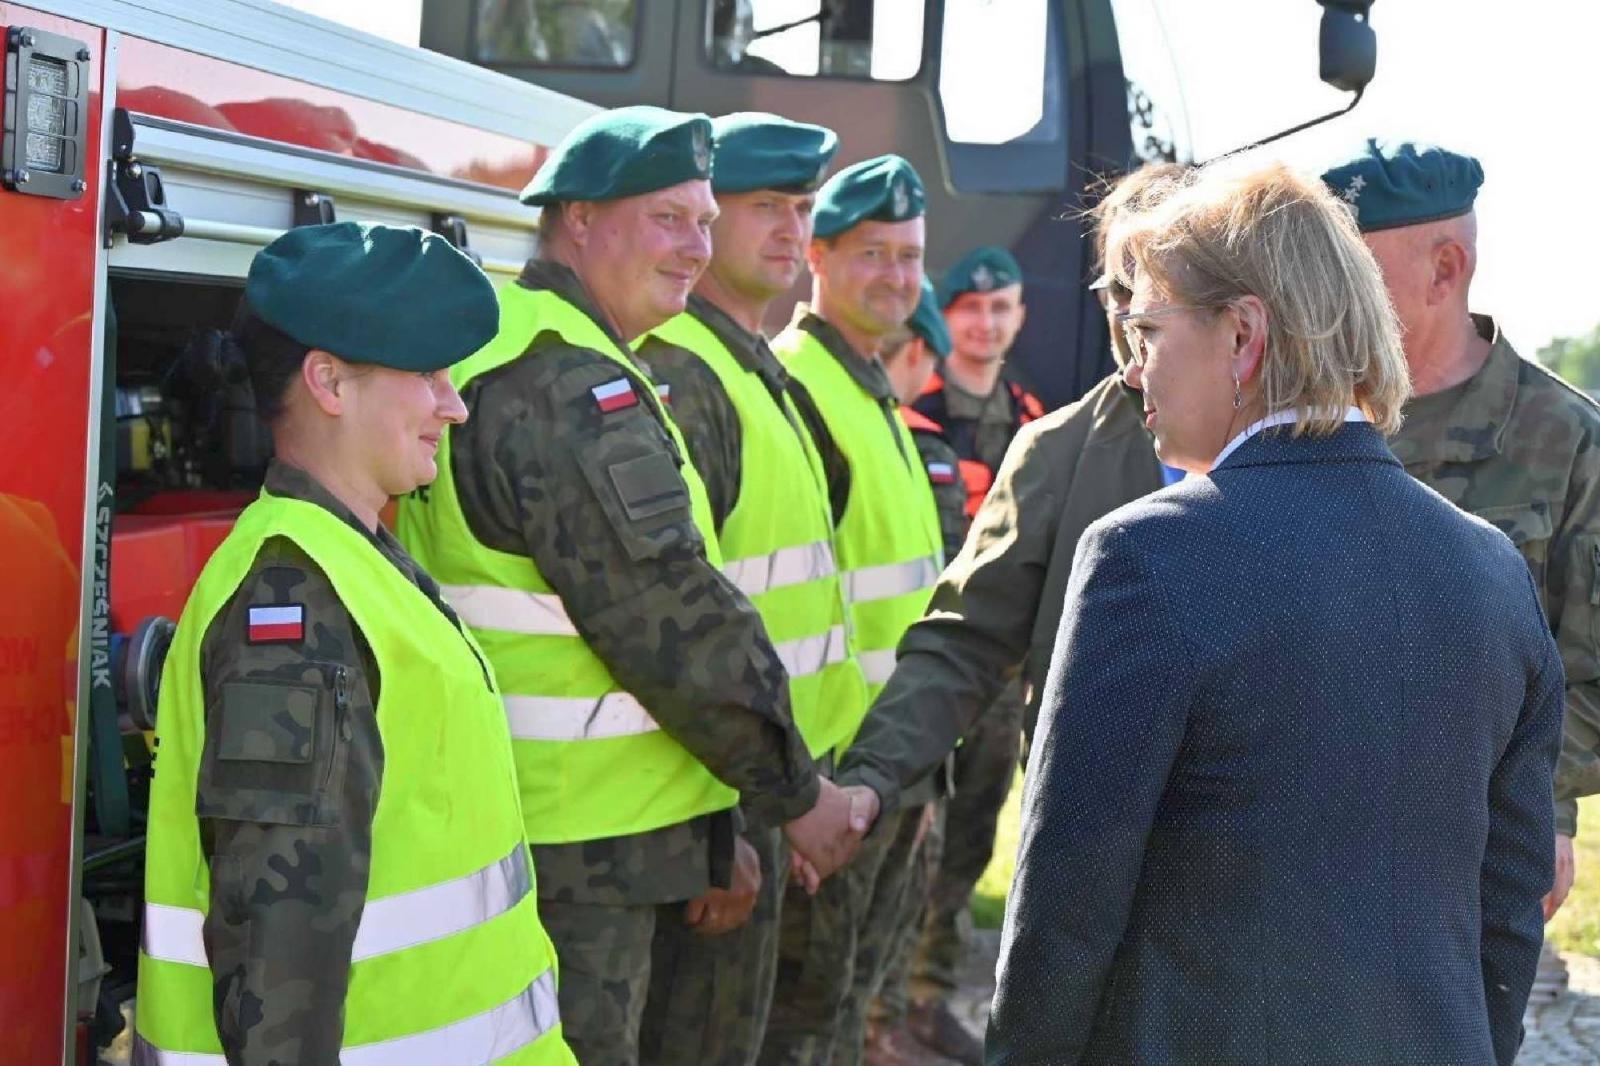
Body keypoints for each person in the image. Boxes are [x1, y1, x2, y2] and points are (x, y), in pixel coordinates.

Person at [987, 160, 1562, 1065]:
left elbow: (1067, 908)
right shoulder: (1492, 571)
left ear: (1244, 336)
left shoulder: (1148, 557)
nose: (1135, 371)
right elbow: (1509, 904)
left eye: (1149, 331)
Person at [395, 106, 868, 1065]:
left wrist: (706, 829)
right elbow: (673, 621)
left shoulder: (573, 355)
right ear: (578, 218)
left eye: (704, 222)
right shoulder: (568, 385)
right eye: (668, 220)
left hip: (587, 840)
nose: (695, 248)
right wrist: (794, 796)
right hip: (571, 854)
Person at [133, 222, 576, 1065]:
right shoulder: (293, 599)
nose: (454, 403)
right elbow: (280, 955)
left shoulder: (347, 560)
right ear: (329, 382)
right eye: (426, 374)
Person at [832, 165, 1178, 1065]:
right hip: (1093, 851)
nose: (1129, 320)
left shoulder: (1307, 441)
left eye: (1156, 294)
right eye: (1116, 291)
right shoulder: (1059, 449)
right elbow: (964, 638)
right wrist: (870, 778)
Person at [631, 111, 869, 1066]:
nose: (789, 227)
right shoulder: (685, 377)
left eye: (802, 206)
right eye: (762, 204)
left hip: (783, 800)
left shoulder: (751, 369)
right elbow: (672, 626)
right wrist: (725, 828)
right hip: (730, 819)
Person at [1322, 140, 1600, 921]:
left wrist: (1537, 801)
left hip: (1478, 848)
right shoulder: (1301, 419)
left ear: (1444, 270)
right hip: (1301, 833)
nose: (1326, 298)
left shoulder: (1570, 442)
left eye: (1353, 273)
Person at [763, 154, 942, 1066]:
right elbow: (772, 614)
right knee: (808, 1024)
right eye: (874, 253)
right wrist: (804, 794)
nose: (898, 276)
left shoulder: (872, 387)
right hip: (835, 787)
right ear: (818, 257)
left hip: (894, 775)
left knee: (850, 1013)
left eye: (910, 256)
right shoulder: (795, 384)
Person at [864, 278, 967, 1066]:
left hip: (906, 720)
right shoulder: (874, 437)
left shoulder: (914, 448)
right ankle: (879, 1026)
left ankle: (891, 1018)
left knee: (908, 895)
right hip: (870, 729)